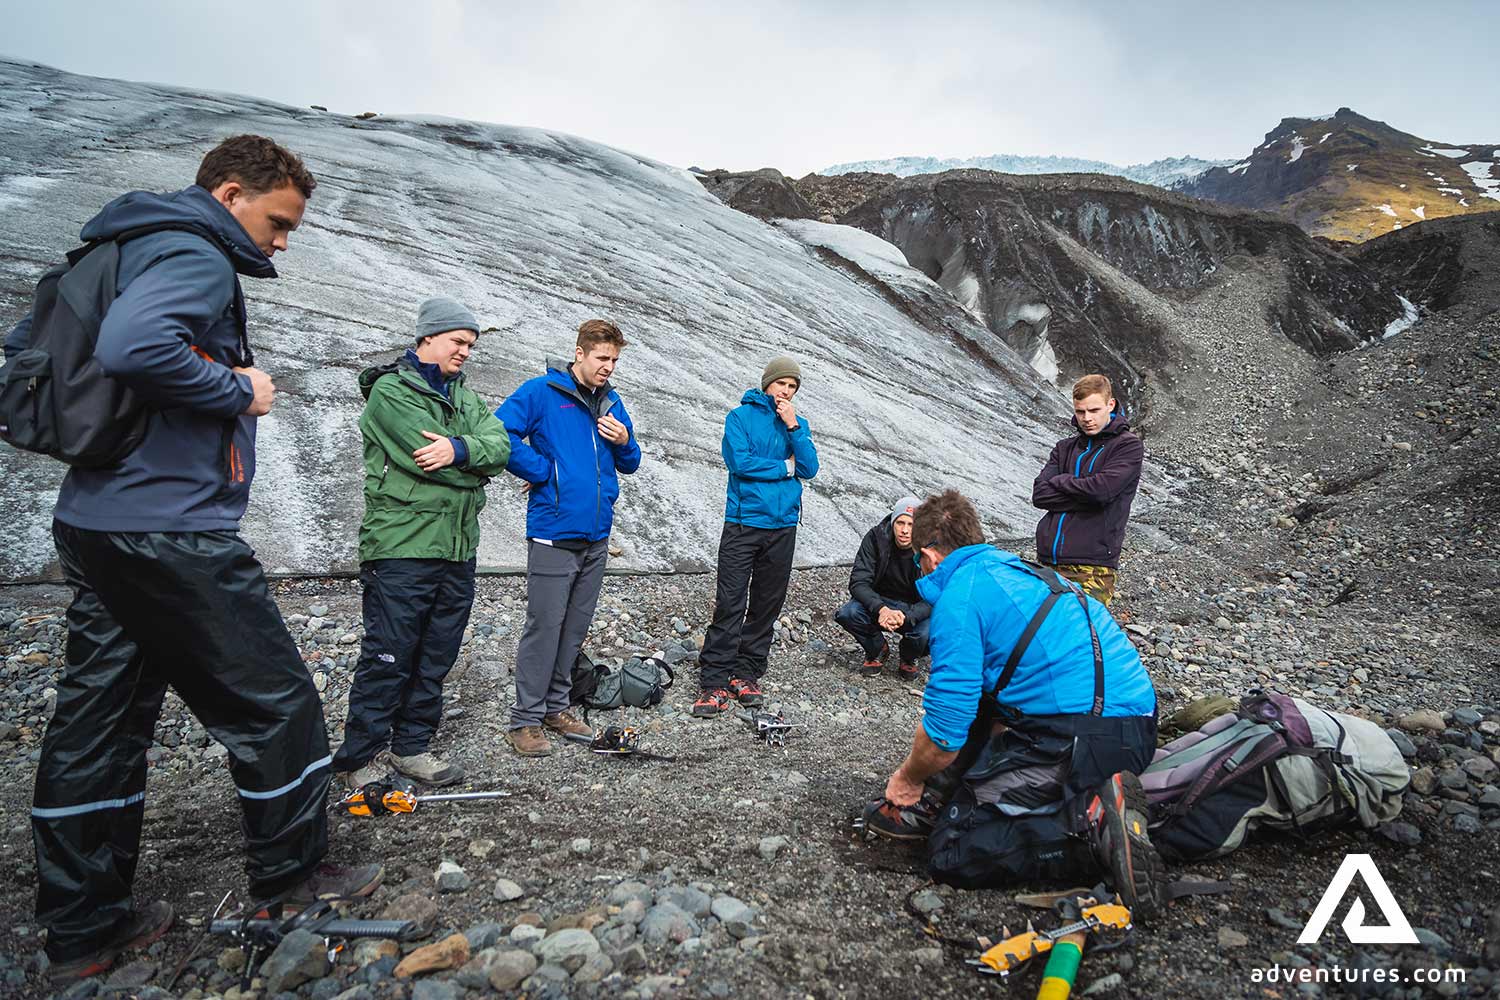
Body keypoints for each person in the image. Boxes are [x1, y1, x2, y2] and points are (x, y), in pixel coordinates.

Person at [5, 136, 380, 983]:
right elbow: (137, 347)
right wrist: (238, 388)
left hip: (96, 518)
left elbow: (33, 346)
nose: (283, 241)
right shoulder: (194, 251)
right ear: (231, 193)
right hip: (170, 528)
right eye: (279, 221)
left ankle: (83, 928)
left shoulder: (112, 248)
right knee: (275, 700)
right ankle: (290, 882)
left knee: (100, 720)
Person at [864, 490, 1165, 917]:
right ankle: (1105, 803)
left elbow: (945, 732)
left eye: (918, 562)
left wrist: (908, 778)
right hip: (1138, 724)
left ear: (929, 556)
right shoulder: (1022, 572)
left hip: (1084, 737)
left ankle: (1091, 824)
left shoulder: (961, 597)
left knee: (953, 850)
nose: (919, 570)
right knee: (986, 720)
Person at [332, 298, 512, 789]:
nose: (465, 352)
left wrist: (458, 449)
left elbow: (501, 447)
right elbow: (423, 461)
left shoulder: (464, 396)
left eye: (470, 345)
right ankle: (359, 758)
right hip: (402, 547)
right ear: (427, 337)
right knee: (388, 655)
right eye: (458, 341)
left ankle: (411, 747)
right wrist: (472, 468)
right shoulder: (391, 392)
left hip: (457, 548)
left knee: (435, 656)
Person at [497, 320, 640, 756]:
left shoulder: (611, 401)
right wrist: (542, 471)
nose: (608, 367)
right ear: (579, 354)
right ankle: (525, 719)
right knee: (544, 626)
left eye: (614, 360)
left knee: (574, 627)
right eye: (602, 358)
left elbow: (630, 462)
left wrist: (624, 440)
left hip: (596, 535)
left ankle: (557, 707)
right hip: (553, 532)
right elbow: (498, 433)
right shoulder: (541, 392)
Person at [694, 357, 819, 717]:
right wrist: (785, 467)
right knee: (730, 601)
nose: (786, 391)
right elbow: (740, 463)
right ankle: (714, 681)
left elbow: (809, 468)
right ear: (767, 384)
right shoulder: (740, 417)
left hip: (783, 527)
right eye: (781, 383)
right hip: (743, 523)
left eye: (792, 386)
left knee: (767, 603)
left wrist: (793, 427)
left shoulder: (797, 424)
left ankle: (746, 673)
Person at [1031, 374, 1143, 607]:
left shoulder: (1127, 446)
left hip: (1091, 567)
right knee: (1038, 628)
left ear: (1110, 405)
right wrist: (1087, 494)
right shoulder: (1064, 448)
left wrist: (1061, 480)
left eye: (1094, 410)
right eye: (1080, 412)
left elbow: (1101, 491)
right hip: (1046, 562)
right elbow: (1040, 495)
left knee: (1081, 627)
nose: (1087, 418)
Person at [834, 495, 931, 680]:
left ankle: (909, 656)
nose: (904, 530)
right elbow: (858, 581)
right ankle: (878, 648)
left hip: (913, 607)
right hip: (880, 601)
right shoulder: (876, 538)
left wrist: (908, 617)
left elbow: (935, 596)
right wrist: (881, 609)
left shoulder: (930, 548)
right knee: (848, 613)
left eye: (911, 525)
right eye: (900, 523)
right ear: (893, 522)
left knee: (934, 630)